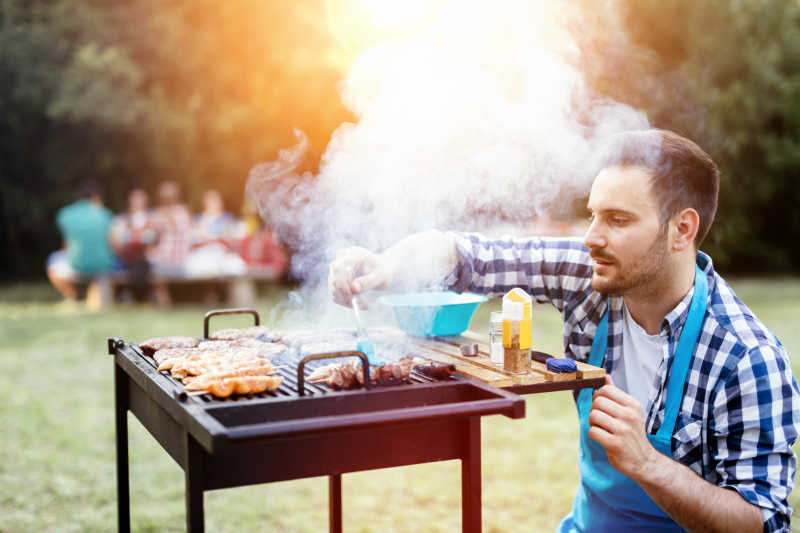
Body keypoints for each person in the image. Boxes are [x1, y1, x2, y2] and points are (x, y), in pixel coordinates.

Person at [328, 129, 800, 532]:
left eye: (617, 220)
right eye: (593, 214)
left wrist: (648, 463)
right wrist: (386, 265)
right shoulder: (589, 278)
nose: (592, 236)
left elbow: (761, 520)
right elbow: (468, 254)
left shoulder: (747, 359)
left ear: (682, 230)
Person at [46, 180, 115, 310]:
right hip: (103, 268)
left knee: (52, 262)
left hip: (76, 265)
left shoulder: (65, 214)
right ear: (96, 197)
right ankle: (98, 297)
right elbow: (113, 245)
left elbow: (67, 243)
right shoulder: (105, 214)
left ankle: (72, 296)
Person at [149, 181, 192, 307]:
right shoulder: (185, 212)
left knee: (151, 262)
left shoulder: (159, 215)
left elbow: (151, 233)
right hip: (184, 261)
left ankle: (164, 303)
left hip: (168, 263)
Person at [109, 188, 156, 301]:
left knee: (142, 263)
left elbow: (155, 240)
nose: (138, 203)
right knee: (134, 263)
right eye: (135, 200)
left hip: (145, 257)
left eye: (141, 200)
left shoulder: (152, 218)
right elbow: (115, 242)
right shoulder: (122, 219)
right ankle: (134, 295)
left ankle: (135, 295)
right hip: (126, 256)